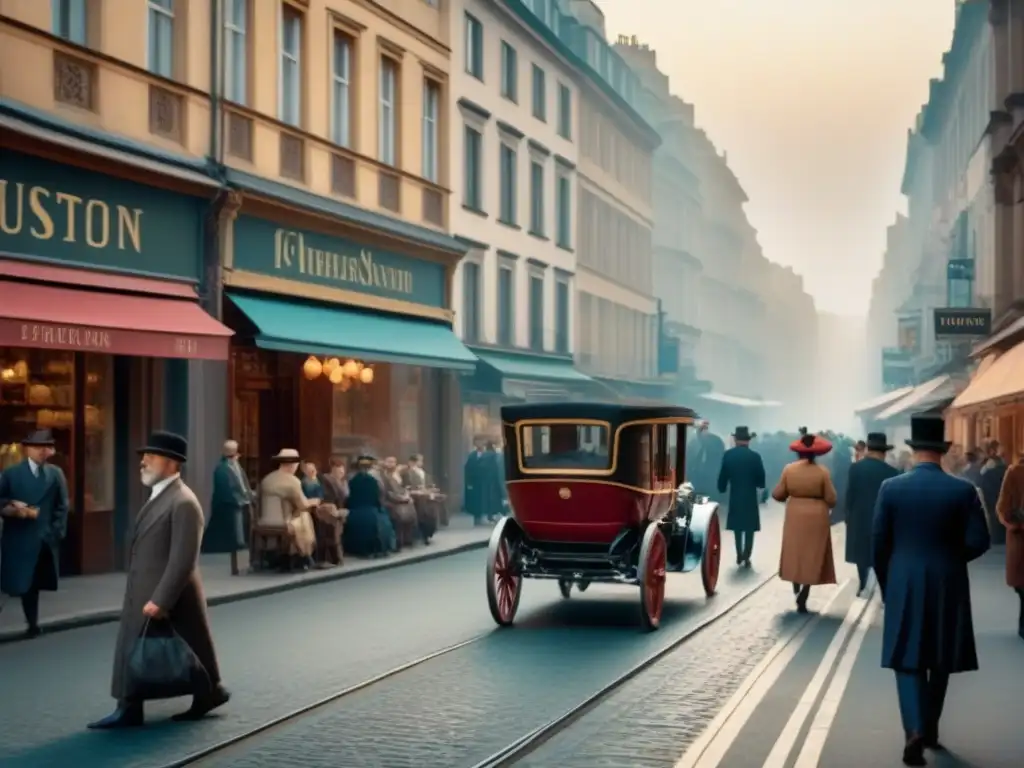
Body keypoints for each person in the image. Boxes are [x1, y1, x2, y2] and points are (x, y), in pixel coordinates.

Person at [89, 431, 229, 729]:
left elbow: (183, 559)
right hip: (146, 588)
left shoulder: (184, 502)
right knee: (187, 646)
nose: (143, 461)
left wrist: (161, 599)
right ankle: (205, 692)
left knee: (186, 646)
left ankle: (133, 705)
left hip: (169, 594)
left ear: (171, 463)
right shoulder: (161, 496)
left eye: (150, 456)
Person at [872, 413, 990, 765]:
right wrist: (952, 559)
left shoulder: (891, 489)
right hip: (947, 578)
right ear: (942, 451)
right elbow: (980, 540)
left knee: (907, 658)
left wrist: (887, 581)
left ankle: (914, 730)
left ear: (913, 450)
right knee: (939, 656)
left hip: (904, 577)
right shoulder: (963, 490)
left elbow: (879, 543)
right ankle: (931, 728)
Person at [0, 429, 69, 638]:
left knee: (33, 585)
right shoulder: (11, 474)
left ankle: (32, 623)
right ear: (27, 449)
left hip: (42, 538)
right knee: (12, 584)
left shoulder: (55, 474)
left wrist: (54, 532)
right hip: (17, 537)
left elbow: (62, 505)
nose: (42, 451)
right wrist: (12, 507)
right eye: (37, 447)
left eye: (45, 447)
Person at [773, 431, 837, 613]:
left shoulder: (789, 469)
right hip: (817, 515)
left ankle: (795, 584)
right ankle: (805, 591)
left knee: (795, 551)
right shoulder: (823, 472)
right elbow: (832, 499)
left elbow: (779, 494)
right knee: (812, 554)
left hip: (795, 514)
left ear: (798, 453)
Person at [844, 432, 899, 595]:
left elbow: (849, 494)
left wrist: (848, 515)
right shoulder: (892, 472)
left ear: (868, 449)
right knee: (882, 555)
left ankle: (862, 582)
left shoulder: (855, 468)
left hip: (859, 517)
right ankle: (884, 590)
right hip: (883, 518)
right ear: (884, 452)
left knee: (861, 554)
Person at [258, 449, 319, 571]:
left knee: (298, 516)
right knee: (304, 516)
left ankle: (285, 556)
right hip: (284, 521)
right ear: (292, 464)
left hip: (263, 520)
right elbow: (302, 504)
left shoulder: (266, 479)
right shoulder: (292, 481)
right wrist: (314, 501)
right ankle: (303, 554)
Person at [717, 426, 766, 567]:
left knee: (738, 527)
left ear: (735, 439)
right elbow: (761, 479)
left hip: (735, 494)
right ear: (748, 441)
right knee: (749, 527)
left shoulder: (728, 455)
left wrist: (721, 488)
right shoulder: (755, 456)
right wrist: (759, 486)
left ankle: (739, 553)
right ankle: (747, 554)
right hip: (750, 496)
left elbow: (723, 476)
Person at [204, 440, 252, 574]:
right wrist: (239, 500)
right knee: (231, 533)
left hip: (239, 502)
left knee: (240, 529)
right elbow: (226, 490)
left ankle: (240, 547)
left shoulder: (237, 466)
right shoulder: (221, 469)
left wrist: (249, 496)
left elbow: (243, 484)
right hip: (227, 505)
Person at [995, 449, 1024, 639]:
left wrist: (1013, 524)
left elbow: (1002, 508)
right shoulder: (1015, 473)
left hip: (1020, 536)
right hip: (1020, 535)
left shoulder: (1014, 472)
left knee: (1022, 586)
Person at [343, 455, 388, 557]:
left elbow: (349, 497)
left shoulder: (352, 480)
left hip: (355, 511)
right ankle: (377, 548)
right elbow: (377, 497)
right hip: (371, 511)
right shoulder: (373, 481)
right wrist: (379, 507)